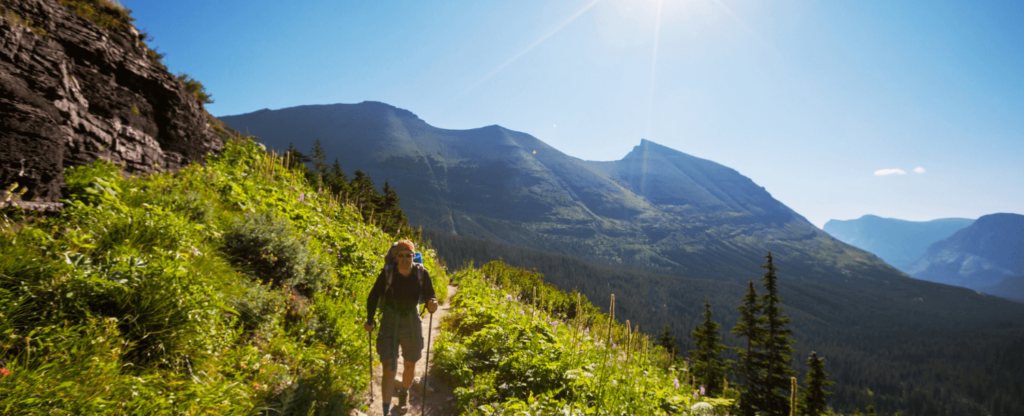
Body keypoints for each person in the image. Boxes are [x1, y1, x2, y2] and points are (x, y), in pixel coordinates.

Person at [365, 240, 437, 415]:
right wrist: (370, 319)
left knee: (410, 365)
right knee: (389, 366)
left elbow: (431, 296)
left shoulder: (422, 273)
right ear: (396, 258)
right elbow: (373, 296)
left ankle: (404, 393)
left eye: (408, 256)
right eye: (401, 256)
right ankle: (385, 410)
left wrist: (432, 303)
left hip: (411, 318)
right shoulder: (387, 273)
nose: (405, 259)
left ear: (413, 257)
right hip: (390, 318)